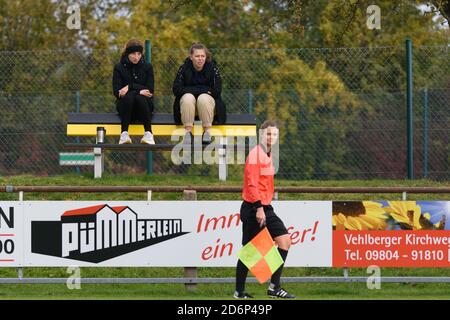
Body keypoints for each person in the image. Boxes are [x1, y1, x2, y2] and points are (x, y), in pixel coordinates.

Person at [234, 120, 295, 299]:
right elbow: (252, 184)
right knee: (249, 251)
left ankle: (274, 288)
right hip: (254, 208)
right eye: (268, 133)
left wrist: (263, 206)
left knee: (285, 241)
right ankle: (239, 292)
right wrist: (259, 208)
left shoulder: (267, 154)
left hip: (265, 207)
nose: (271, 137)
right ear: (261, 134)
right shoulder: (255, 155)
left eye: (274, 134)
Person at [172, 43, 226, 144]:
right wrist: (204, 89)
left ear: (206, 57)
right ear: (191, 57)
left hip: (209, 109)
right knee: (188, 97)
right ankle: (187, 133)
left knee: (203, 98)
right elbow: (176, 90)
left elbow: (217, 91)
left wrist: (193, 90)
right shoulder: (183, 68)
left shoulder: (213, 68)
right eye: (197, 56)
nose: (200, 59)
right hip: (188, 109)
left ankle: (207, 133)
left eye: (202, 56)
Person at [113, 39, 155, 144]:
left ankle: (148, 134)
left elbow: (150, 90)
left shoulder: (148, 67)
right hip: (126, 109)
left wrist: (130, 87)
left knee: (138, 97)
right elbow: (117, 92)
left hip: (144, 109)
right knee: (131, 96)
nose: (136, 57)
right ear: (127, 53)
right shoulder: (119, 67)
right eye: (133, 54)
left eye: (139, 54)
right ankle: (124, 134)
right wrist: (138, 90)